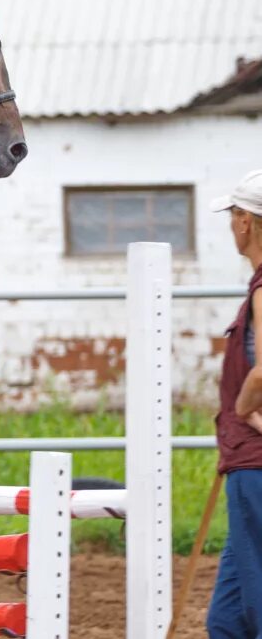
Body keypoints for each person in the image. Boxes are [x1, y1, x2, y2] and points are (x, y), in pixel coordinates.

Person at [208, 168, 262, 638]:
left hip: (256, 465)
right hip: (245, 461)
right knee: (227, 622)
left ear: (245, 221)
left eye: (232, 215)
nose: (230, 225)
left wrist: (243, 409)